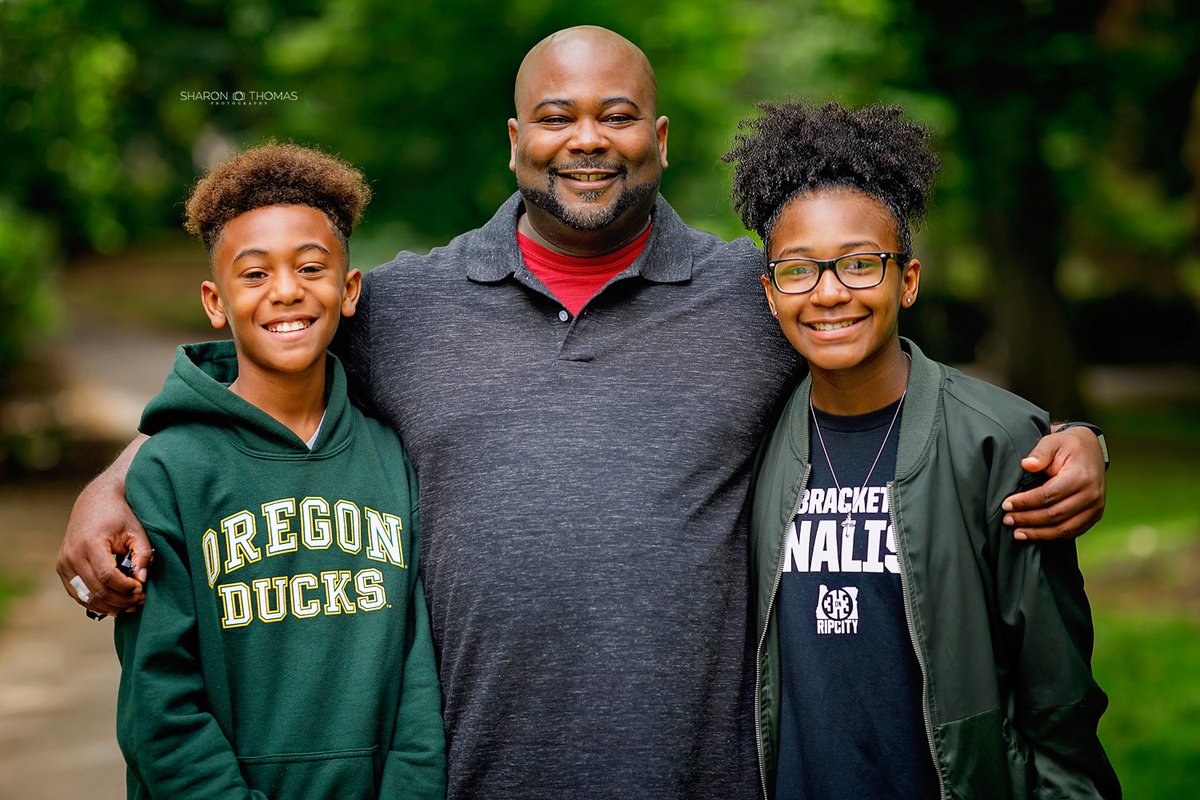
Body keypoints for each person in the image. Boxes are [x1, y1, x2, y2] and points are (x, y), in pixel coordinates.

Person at [58, 26, 1109, 800]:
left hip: (707, 779)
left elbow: (890, 357)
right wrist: (121, 476)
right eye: (557, 117)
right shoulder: (409, 303)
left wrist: (1072, 438)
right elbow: (257, 366)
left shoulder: (755, 294)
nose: (586, 140)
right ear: (517, 139)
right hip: (467, 777)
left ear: (657, 135)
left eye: (615, 115)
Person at [726, 100, 1120, 798]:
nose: (829, 293)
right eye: (799, 270)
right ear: (770, 293)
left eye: (859, 264)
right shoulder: (750, 443)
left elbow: (1058, 705)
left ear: (907, 280)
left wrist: (1088, 440)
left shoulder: (999, 444)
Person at [111, 143, 445, 799]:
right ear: (216, 301)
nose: (287, 290)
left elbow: (418, 671)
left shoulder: (391, 456)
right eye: (255, 274)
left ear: (349, 289)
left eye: (311, 267)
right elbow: (160, 704)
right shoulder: (172, 471)